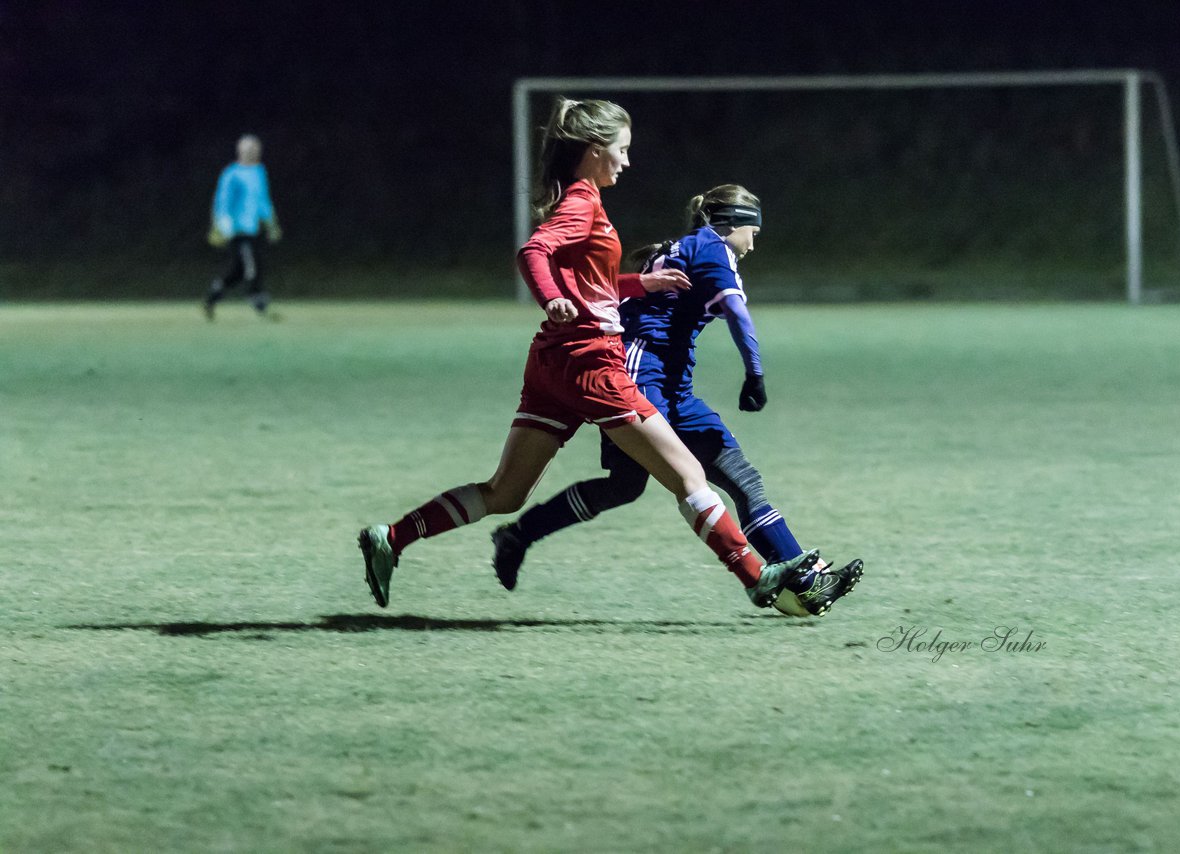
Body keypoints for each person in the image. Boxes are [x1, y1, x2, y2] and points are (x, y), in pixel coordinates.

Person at [358, 98, 838, 614]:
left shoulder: (580, 199)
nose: (627, 162)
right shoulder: (582, 201)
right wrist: (551, 298)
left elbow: (594, 281)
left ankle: (393, 537)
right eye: (622, 150)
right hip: (591, 361)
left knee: (504, 492)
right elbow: (533, 252)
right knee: (689, 479)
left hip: (551, 363)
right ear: (593, 151)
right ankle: (756, 578)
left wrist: (640, 282)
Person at [490, 184, 863, 617]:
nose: (754, 243)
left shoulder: (690, 246)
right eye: (753, 231)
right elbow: (737, 314)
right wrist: (755, 372)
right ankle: (520, 534)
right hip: (638, 372)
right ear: (732, 224)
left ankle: (806, 577)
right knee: (643, 485)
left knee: (728, 477)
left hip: (672, 383)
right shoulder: (712, 246)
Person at [203, 134, 282, 320]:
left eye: (255, 149)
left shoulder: (259, 172)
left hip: (252, 229)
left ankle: (212, 296)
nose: (252, 152)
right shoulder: (232, 173)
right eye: (248, 149)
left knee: (237, 271)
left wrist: (271, 223)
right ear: (240, 151)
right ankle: (258, 299)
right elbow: (222, 202)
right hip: (236, 230)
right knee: (252, 264)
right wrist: (220, 225)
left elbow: (263, 200)